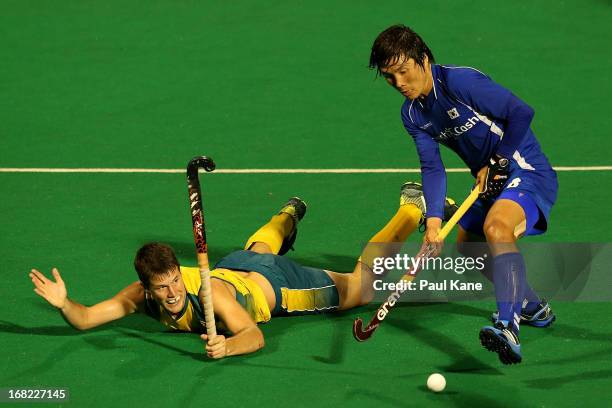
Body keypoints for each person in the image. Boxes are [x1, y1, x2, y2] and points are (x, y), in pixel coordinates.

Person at [29, 182, 454, 359]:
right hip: (241, 263)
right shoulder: (137, 298)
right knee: (256, 248)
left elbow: (253, 334)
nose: (174, 293)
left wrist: (227, 347)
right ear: (147, 287)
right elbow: (86, 319)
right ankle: (287, 216)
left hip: (277, 286)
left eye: (175, 280)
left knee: (360, 289)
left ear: (180, 272)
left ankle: (410, 208)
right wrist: (65, 303)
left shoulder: (213, 297)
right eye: (162, 288)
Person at [369, 24, 558, 365]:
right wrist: (433, 223)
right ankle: (531, 306)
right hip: (490, 182)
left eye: (402, 71)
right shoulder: (412, 114)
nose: (398, 83)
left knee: (497, 230)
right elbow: (432, 168)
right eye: (389, 77)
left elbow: (521, 112)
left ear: (422, 59)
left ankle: (508, 325)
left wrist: (498, 163)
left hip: (524, 169)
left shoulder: (459, 82)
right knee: (468, 245)